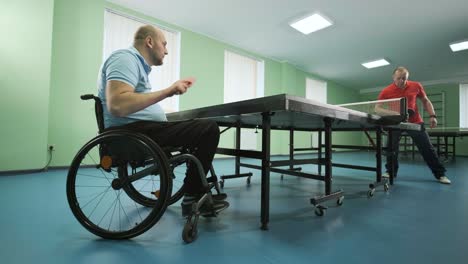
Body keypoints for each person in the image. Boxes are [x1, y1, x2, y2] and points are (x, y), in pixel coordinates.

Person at [97, 24, 229, 216]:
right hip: (134, 133)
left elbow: (133, 104)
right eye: (164, 44)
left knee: (198, 127)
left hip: (139, 129)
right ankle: (193, 194)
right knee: (208, 129)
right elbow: (118, 105)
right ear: (149, 42)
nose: (166, 51)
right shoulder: (125, 58)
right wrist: (169, 91)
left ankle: (196, 187)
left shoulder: (136, 65)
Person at [376, 66, 451, 184]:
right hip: (396, 123)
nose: (402, 81)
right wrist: (396, 114)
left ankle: (440, 174)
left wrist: (433, 116)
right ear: (393, 78)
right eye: (399, 78)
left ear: (407, 77)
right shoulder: (386, 91)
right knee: (391, 148)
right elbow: (378, 108)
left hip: (415, 121)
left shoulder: (416, 86)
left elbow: (425, 100)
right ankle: (390, 172)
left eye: (404, 78)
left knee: (427, 148)